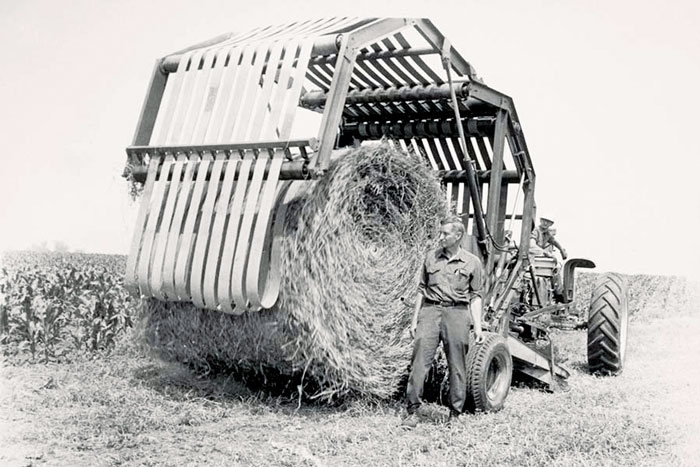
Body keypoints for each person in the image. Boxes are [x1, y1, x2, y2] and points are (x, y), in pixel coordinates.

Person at [403, 216, 485, 427]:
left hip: (457, 314)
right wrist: (414, 320)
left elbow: (475, 296)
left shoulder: (472, 262)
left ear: (458, 236)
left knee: (457, 365)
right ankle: (412, 411)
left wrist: (477, 325)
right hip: (430, 312)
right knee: (419, 361)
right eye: (440, 233)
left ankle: (455, 414)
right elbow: (421, 290)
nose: (440, 237)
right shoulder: (431, 258)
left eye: (445, 234)